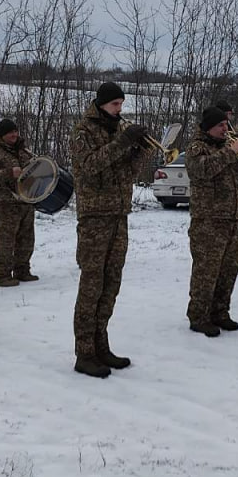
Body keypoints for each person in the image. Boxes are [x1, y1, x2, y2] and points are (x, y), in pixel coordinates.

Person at [69, 82, 150, 378]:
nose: (120, 110)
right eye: (115, 104)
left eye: (122, 104)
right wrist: (122, 143)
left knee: (111, 284)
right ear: (101, 104)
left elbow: (125, 173)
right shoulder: (83, 131)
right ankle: (84, 352)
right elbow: (90, 166)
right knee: (92, 285)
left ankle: (101, 345)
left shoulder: (116, 130)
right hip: (94, 218)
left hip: (118, 215)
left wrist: (139, 151)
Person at [185, 105, 238, 336]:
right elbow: (202, 171)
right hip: (208, 220)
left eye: (226, 125)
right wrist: (231, 152)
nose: (225, 129)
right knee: (207, 271)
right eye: (220, 126)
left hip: (231, 219)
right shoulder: (197, 148)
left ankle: (220, 312)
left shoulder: (227, 147)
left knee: (228, 270)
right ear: (208, 128)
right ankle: (199, 316)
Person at [0, 118, 37, 286]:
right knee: (6, 241)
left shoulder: (24, 150)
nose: (14, 134)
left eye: (15, 131)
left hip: (26, 201)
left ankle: (22, 271)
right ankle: (2, 275)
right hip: (6, 204)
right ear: (2, 135)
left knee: (27, 239)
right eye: (10, 132)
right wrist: (8, 173)